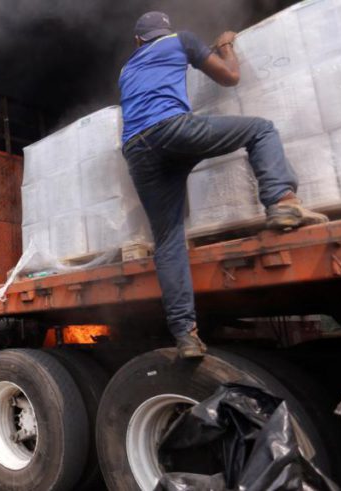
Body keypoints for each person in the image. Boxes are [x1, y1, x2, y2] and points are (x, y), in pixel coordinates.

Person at [119, 12, 328, 358]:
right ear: (164, 32)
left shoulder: (126, 70)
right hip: (173, 130)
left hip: (137, 150)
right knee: (260, 129)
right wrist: (227, 45)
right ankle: (281, 202)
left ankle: (185, 336)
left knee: (169, 239)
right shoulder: (180, 40)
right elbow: (230, 77)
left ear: (137, 41)